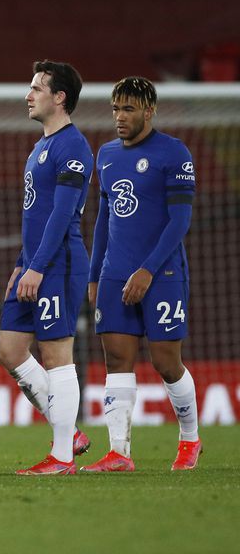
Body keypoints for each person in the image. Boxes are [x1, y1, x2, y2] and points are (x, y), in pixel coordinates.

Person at [82, 77, 201, 472]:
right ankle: (119, 453)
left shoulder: (174, 153)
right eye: (116, 108)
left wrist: (148, 270)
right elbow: (103, 220)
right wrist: (96, 274)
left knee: (166, 361)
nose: (119, 117)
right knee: (116, 358)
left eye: (128, 109)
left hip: (162, 272)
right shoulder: (107, 154)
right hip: (115, 273)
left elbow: (179, 221)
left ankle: (190, 439)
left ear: (149, 111)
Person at [0, 60, 93, 476]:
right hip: (34, 265)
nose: (28, 94)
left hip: (60, 263)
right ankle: (67, 431)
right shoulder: (40, 147)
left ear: (59, 98)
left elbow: (61, 216)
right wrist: (21, 265)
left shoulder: (73, 146)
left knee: (57, 357)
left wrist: (37, 267)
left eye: (37, 88)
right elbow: (34, 218)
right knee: (10, 351)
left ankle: (61, 457)